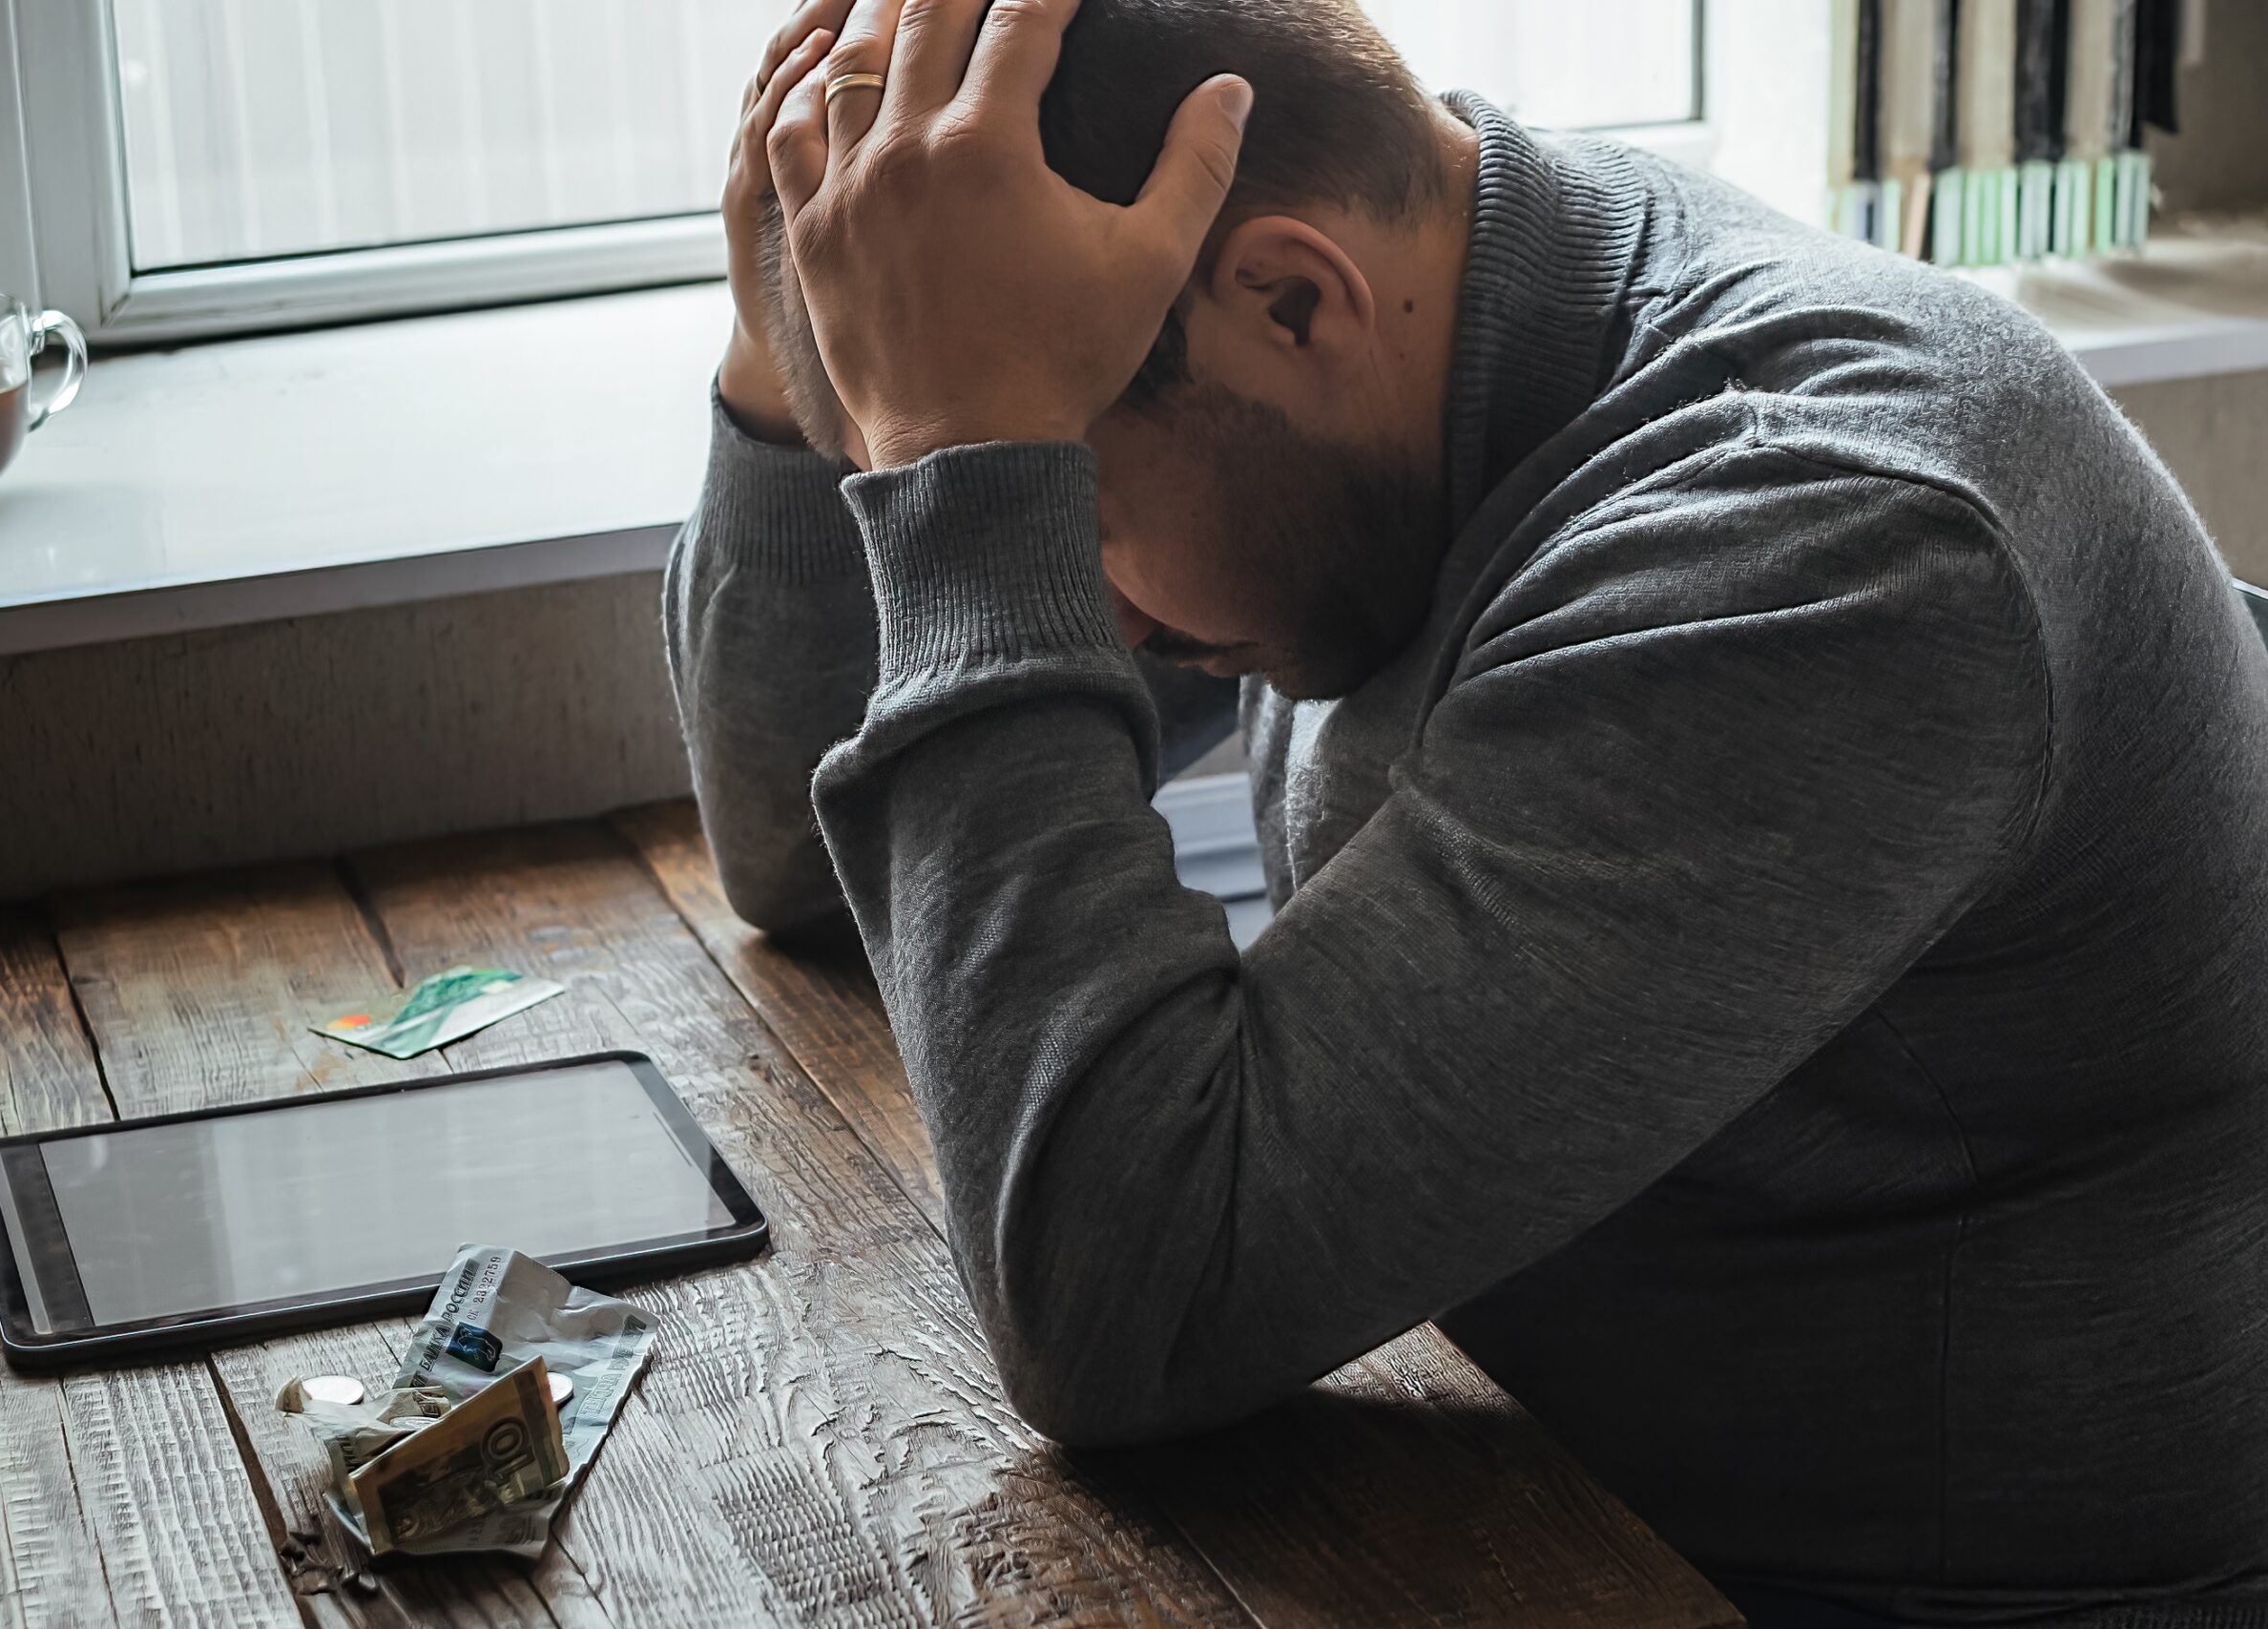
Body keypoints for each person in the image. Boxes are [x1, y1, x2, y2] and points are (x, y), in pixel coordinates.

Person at [665, 1, 2268, 1622]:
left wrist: (969, 479)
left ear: (1293, 299)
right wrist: (805, 340)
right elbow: (806, 866)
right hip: (1530, 1494)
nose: (1099, 621)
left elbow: (1123, 1300)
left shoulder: (1827, 542)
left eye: (1066, 514)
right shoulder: (1396, 351)